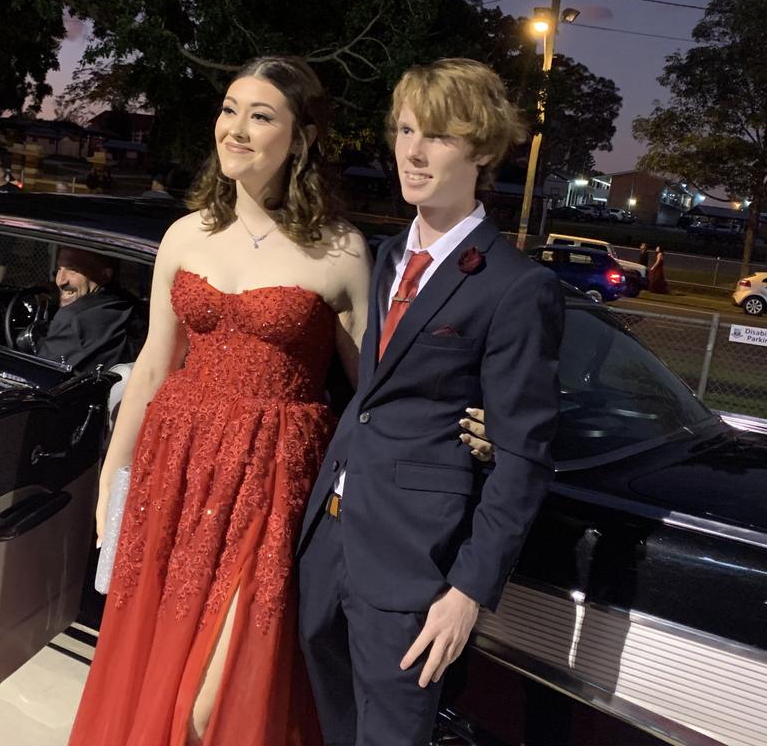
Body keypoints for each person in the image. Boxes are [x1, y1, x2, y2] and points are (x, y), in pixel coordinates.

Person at [67, 56, 493, 746]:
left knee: (215, 701)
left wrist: (472, 422)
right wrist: (112, 482)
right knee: (156, 670)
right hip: (171, 474)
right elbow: (151, 369)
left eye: (260, 116)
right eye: (229, 109)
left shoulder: (340, 251)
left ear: (299, 139)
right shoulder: (183, 235)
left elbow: (380, 388)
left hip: (271, 486)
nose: (235, 129)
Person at [296, 58, 564, 746]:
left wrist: (468, 594)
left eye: (438, 136)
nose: (412, 152)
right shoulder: (379, 259)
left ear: (481, 150)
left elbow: (524, 459)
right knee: (331, 725)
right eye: (405, 130)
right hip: (327, 541)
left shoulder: (514, 286)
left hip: (415, 561)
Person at [32, 247, 136, 370]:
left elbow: (41, 373)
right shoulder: (128, 304)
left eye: (72, 270)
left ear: (105, 274)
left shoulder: (73, 319)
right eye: (59, 269)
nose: (60, 281)